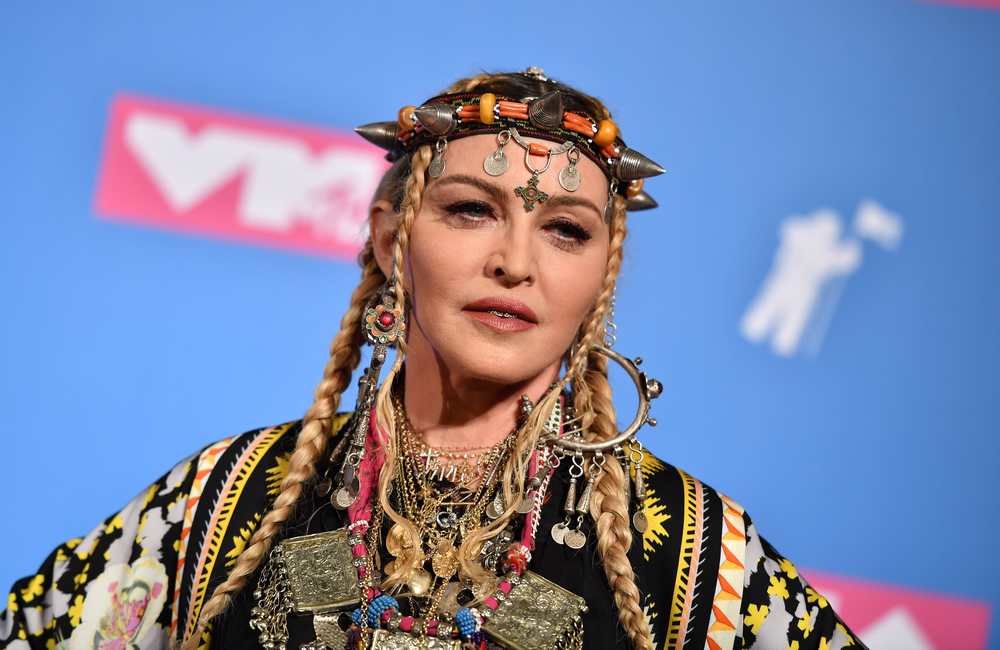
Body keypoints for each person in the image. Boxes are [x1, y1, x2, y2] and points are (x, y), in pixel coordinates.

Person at [0, 69, 866, 650]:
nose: (516, 263)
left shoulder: (690, 547)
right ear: (390, 240)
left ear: (602, 275)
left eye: (566, 231)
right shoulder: (230, 498)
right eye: (470, 211)